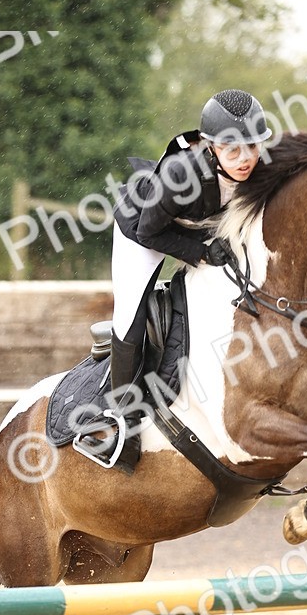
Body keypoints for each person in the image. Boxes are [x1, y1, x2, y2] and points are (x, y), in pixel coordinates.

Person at [75, 88, 272, 474]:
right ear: (212, 147)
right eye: (233, 150)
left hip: (198, 226)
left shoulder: (258, 166)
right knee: (130, 317)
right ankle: (119, 421)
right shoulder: (182, 176)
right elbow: (151, 233)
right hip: (142, 231)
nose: (246, 159)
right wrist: (199, 252)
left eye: (252, 146)